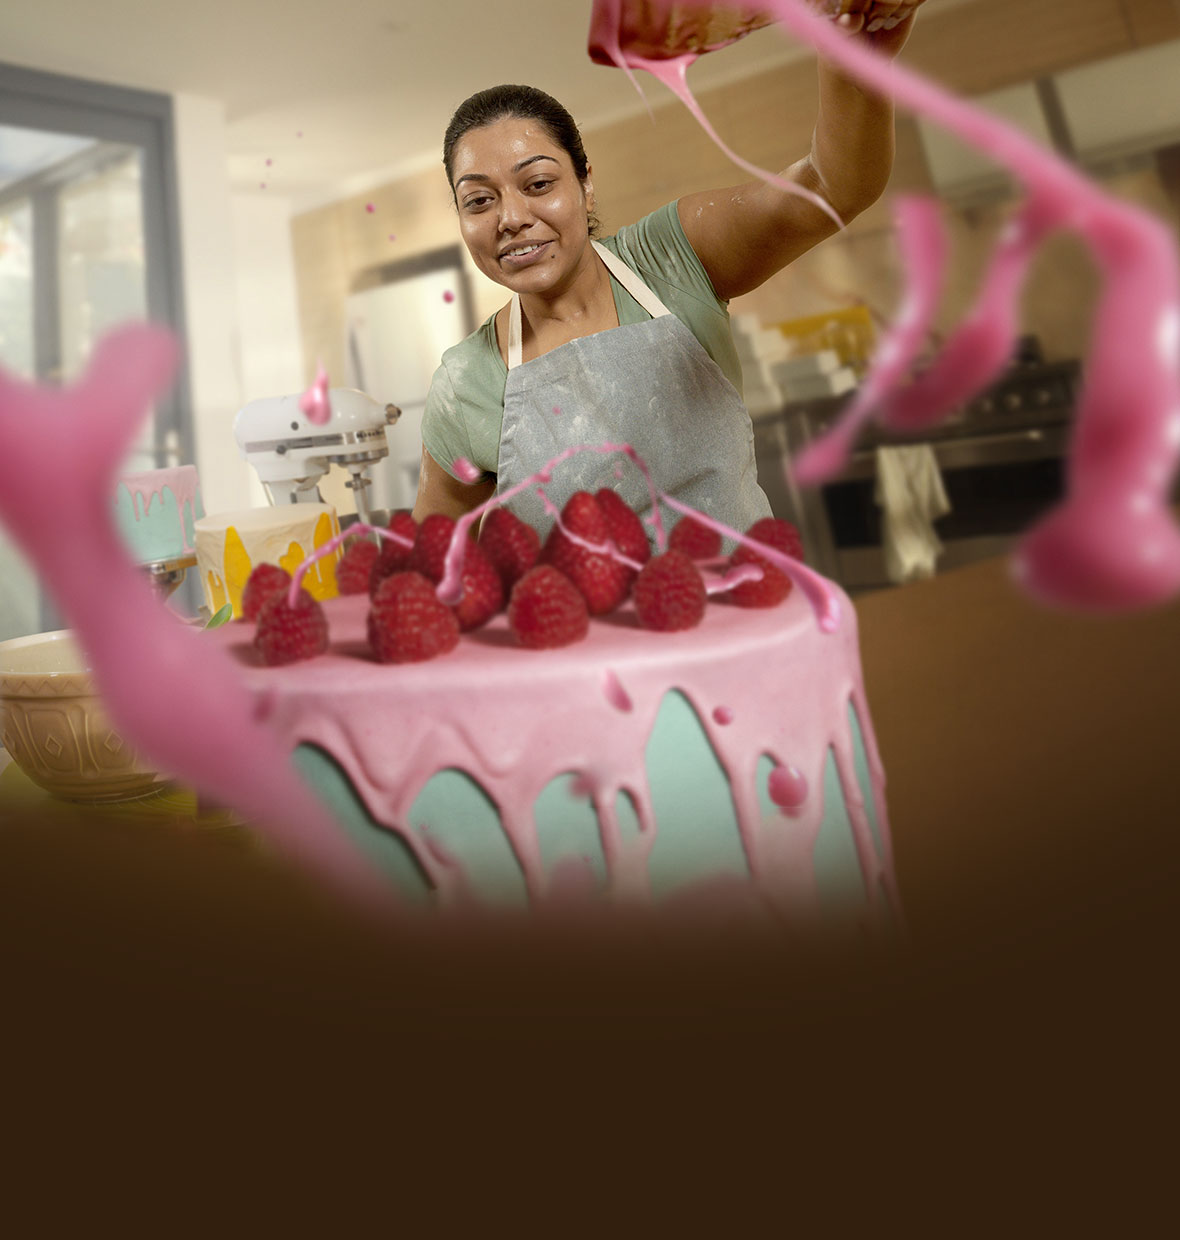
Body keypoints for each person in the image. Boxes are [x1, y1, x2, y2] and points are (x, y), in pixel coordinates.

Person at [413, 0, 928, 534]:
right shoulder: (467, 382)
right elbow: (433, 561)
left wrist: (857, 59)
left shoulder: (671, 258)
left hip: (753, 611)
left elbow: (831, 187)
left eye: (539, 184)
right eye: (479, 201)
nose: (512, 218)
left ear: (586, 185)